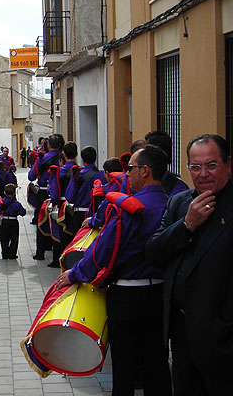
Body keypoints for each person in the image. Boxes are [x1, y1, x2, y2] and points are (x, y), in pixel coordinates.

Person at [55, 145, 172, 396]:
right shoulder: (175, 203)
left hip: (127, 297)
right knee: (157, 362)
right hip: (162, 295)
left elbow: (103, 250)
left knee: (125, 366)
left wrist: (75, 273)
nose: (126, 173)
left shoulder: (129, 207)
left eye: (131, 168)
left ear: (145, 171)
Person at [146, 134, 232, 395]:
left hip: (222, 345)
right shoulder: (180, 203)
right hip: (182, 340)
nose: (203, 174)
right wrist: (186, 225)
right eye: (195, 167)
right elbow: (154, 253)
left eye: (211, 165)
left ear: (228, 165)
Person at [28, 134, 62, 260]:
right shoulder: (62, 158)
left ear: (48, 145)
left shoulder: (42, 158)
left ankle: (41, 252)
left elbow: (32, 175)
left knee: (41, 220)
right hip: (60, 194)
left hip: (43, 193)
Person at [0, 183, 26, 259]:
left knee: (4, 239)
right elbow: (23, 212)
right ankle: (12, 254)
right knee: (14, 239)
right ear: (14, 193)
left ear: (4, 192)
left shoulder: (1, 202)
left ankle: (4, 254)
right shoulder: (16, 203)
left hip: (4, 221)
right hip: (13, 222)